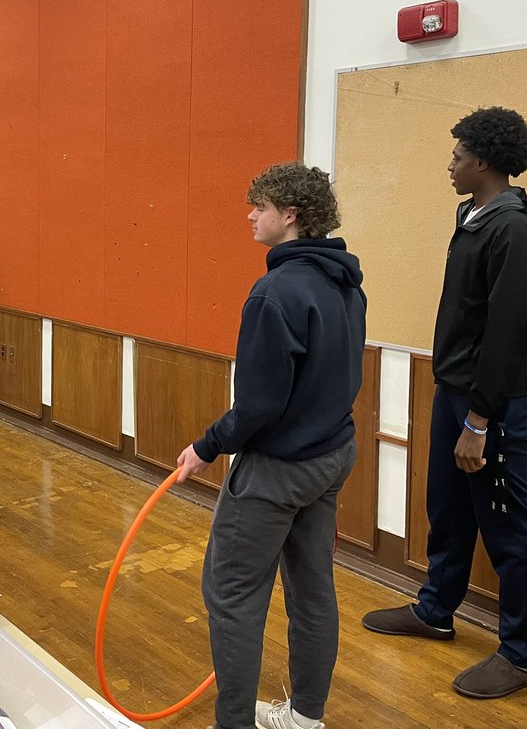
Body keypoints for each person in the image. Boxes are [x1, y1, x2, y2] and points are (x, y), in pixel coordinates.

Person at [362, 107, 527, 700]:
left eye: (457, 156)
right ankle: (436, 609)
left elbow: (509, 330)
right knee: (448, 507)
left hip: (492, 405)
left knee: (510, 529)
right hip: (456, 394)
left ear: (483, 162)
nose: (450, 166)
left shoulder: (514, 227)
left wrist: (480, 420)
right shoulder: (471, 214)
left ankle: (519, 656)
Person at [176, 163, 366, 729]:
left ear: (291, 215)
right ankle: (307, 718)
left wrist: (207, 446)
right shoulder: (345, 280)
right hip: (331, 459)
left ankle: (231, 724)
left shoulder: (275, 292)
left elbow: (259, 406)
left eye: (259, 206)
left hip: (280, 470)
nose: (250, 216)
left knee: (232, 596)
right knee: (312, 590)